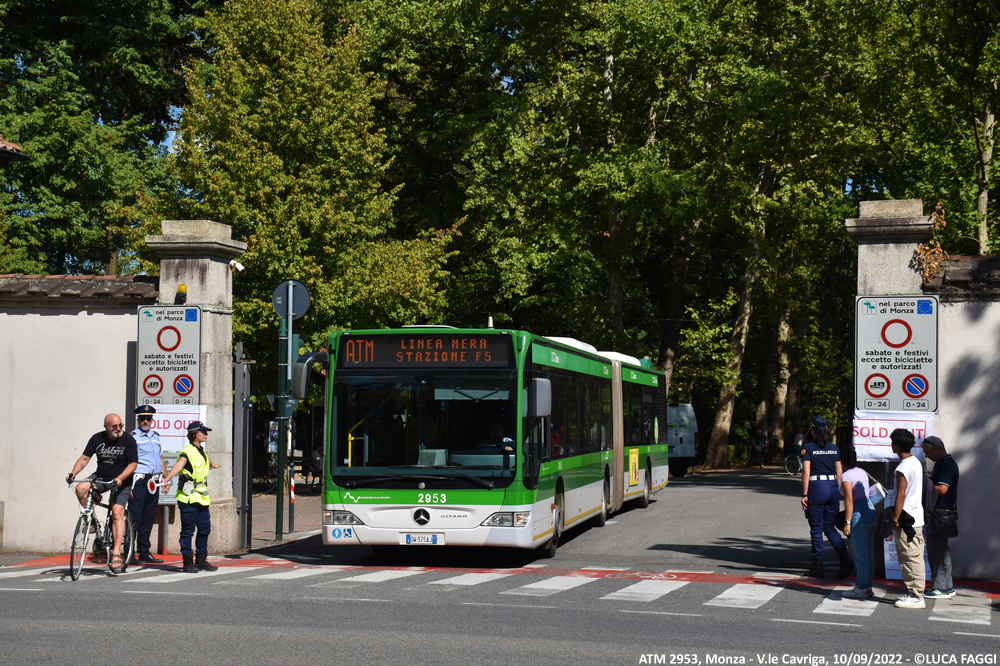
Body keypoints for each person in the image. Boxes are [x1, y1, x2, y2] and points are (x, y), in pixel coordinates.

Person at [66, 414, 138, 574]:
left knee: (117, 513)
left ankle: (116, 552)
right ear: (106, 427)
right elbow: (85, 458)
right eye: (114, 427)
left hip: (122, 480)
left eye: (120, 425)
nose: (118, 429)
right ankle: (92, 521)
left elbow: (133, 464)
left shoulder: (128, 440)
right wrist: (73, 474)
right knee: (81, 488)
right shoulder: (97, 438)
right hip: (101, 477)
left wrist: (120, 478)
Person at [162, 420, 221, 574]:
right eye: (203, 432)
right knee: (188, 531)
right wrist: (168, 478)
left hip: (201, 497)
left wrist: (213, 465)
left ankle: (201, 560)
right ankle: (187, 563)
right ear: (194, 434)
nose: (206, 434)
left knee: (204, 529)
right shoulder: (187, 451)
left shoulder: (200, 450)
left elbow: (206, 460)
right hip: (187, 498)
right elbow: (179, 464)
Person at [800, 415, 851, 579]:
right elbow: (839, 472)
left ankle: (817, 565)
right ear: (827, 429)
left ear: (812, 429)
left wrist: (805, 494)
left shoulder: (808, 448)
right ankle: (845, 559)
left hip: (817, 487)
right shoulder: (834, 448)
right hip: (832, 487)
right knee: (829, 527)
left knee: (816, 528)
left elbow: (806, 472)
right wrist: (839, 491)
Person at [890, 427, 926, 608]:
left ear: (897, 445)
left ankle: (916, 595)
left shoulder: (903, 467)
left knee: (909, 557)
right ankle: (916, 593)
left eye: (893, 442)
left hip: (906, 519)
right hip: (916, 517)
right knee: (915, 556)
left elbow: (901, 495)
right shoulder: (915, 462)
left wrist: (895, 519)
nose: (891, 445)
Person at [127, 405, 167, 565]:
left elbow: (160, 458)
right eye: (142, 418)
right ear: (138, 420)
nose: (145, 421)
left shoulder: (156, 436)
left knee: (148, 518)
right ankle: (129, 553)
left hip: (154, 482)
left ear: (152, 420)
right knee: (134, 518)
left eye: (148, 418)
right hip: (139, 481)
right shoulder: (133, 437)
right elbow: (128, 461)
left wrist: (166, 478)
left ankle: (144, 551)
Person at [921, 435, 959, 599]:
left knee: (937, 552)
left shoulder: (946, 465)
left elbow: (943, 489)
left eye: (927, 452)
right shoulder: (943, 464)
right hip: (942, 513)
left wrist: (923, 488)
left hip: (940, 513)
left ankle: (941, 587)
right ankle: (946, 586)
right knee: (941, 552)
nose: (926, 456)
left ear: (935, 449)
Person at [839, 444, 876, 599]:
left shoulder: (846, 476)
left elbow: (849, 500)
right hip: (870, 509)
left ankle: (861, 587)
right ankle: (867, 586)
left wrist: (847, 522)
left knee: (860, 554)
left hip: (858, 512)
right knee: (868, 552)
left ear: (842, 461)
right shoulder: (861, 472)